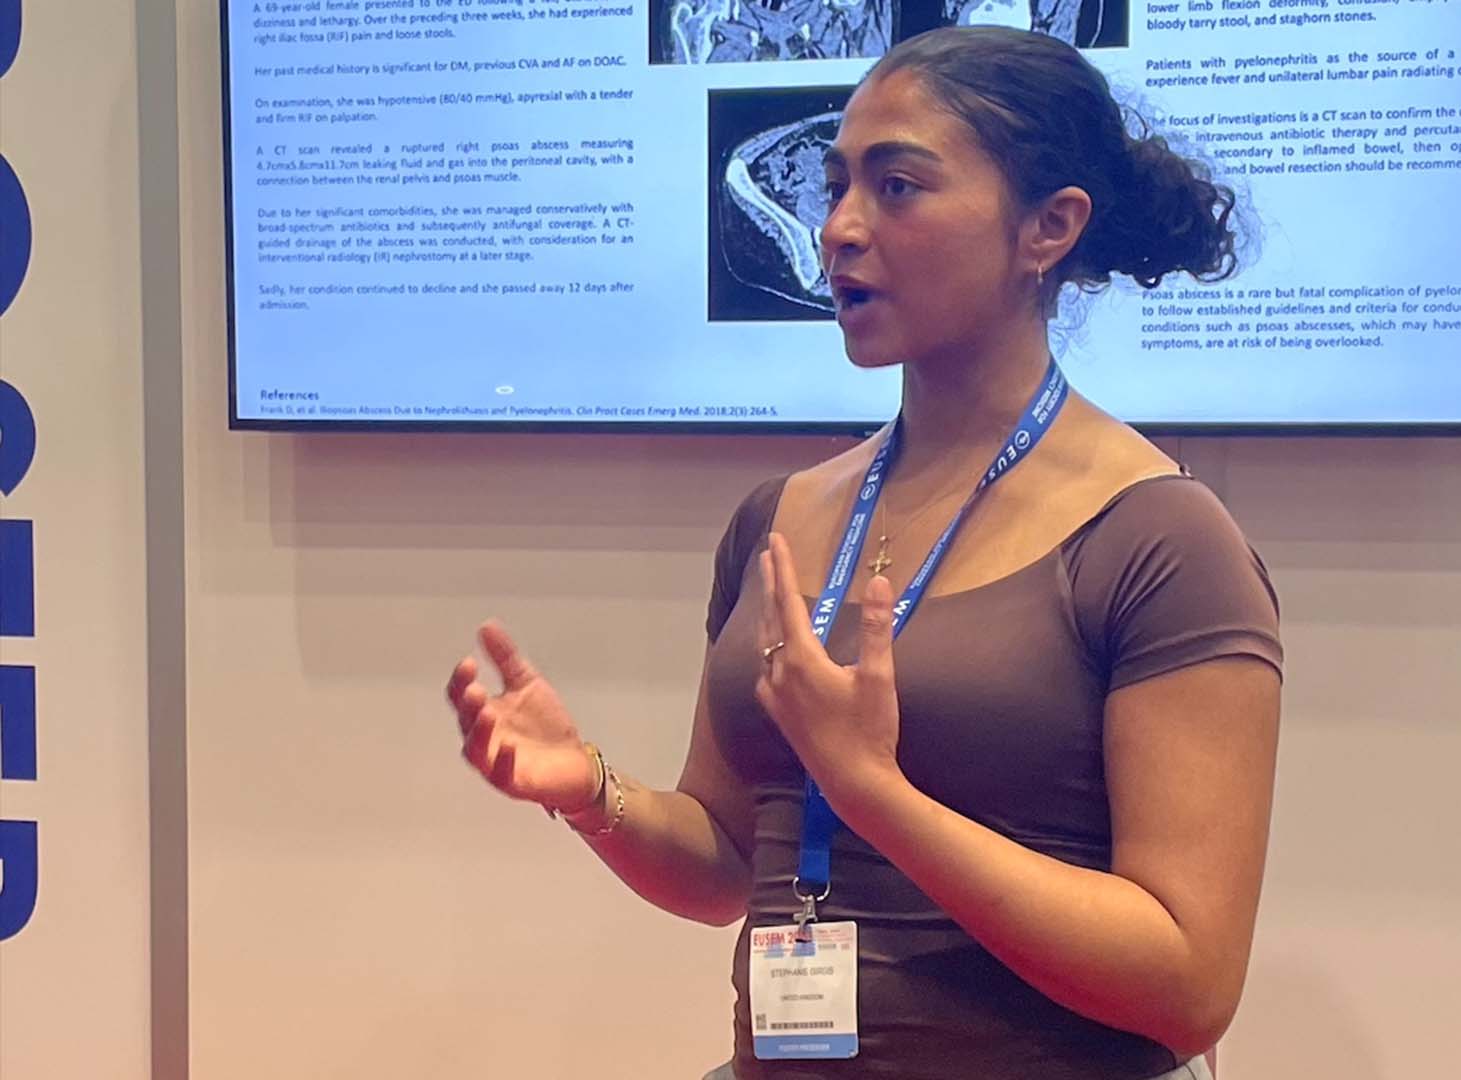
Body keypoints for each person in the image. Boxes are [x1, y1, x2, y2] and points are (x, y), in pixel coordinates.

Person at [445, 26, 1283, 1080]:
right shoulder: (780, 519)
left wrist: (874, 793)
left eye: (897, 188)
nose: (839, 227)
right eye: (837, 185)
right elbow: (725, 866)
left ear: (1049, 227)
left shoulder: (1160, 541)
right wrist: (589, 794)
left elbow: (1190, 982)